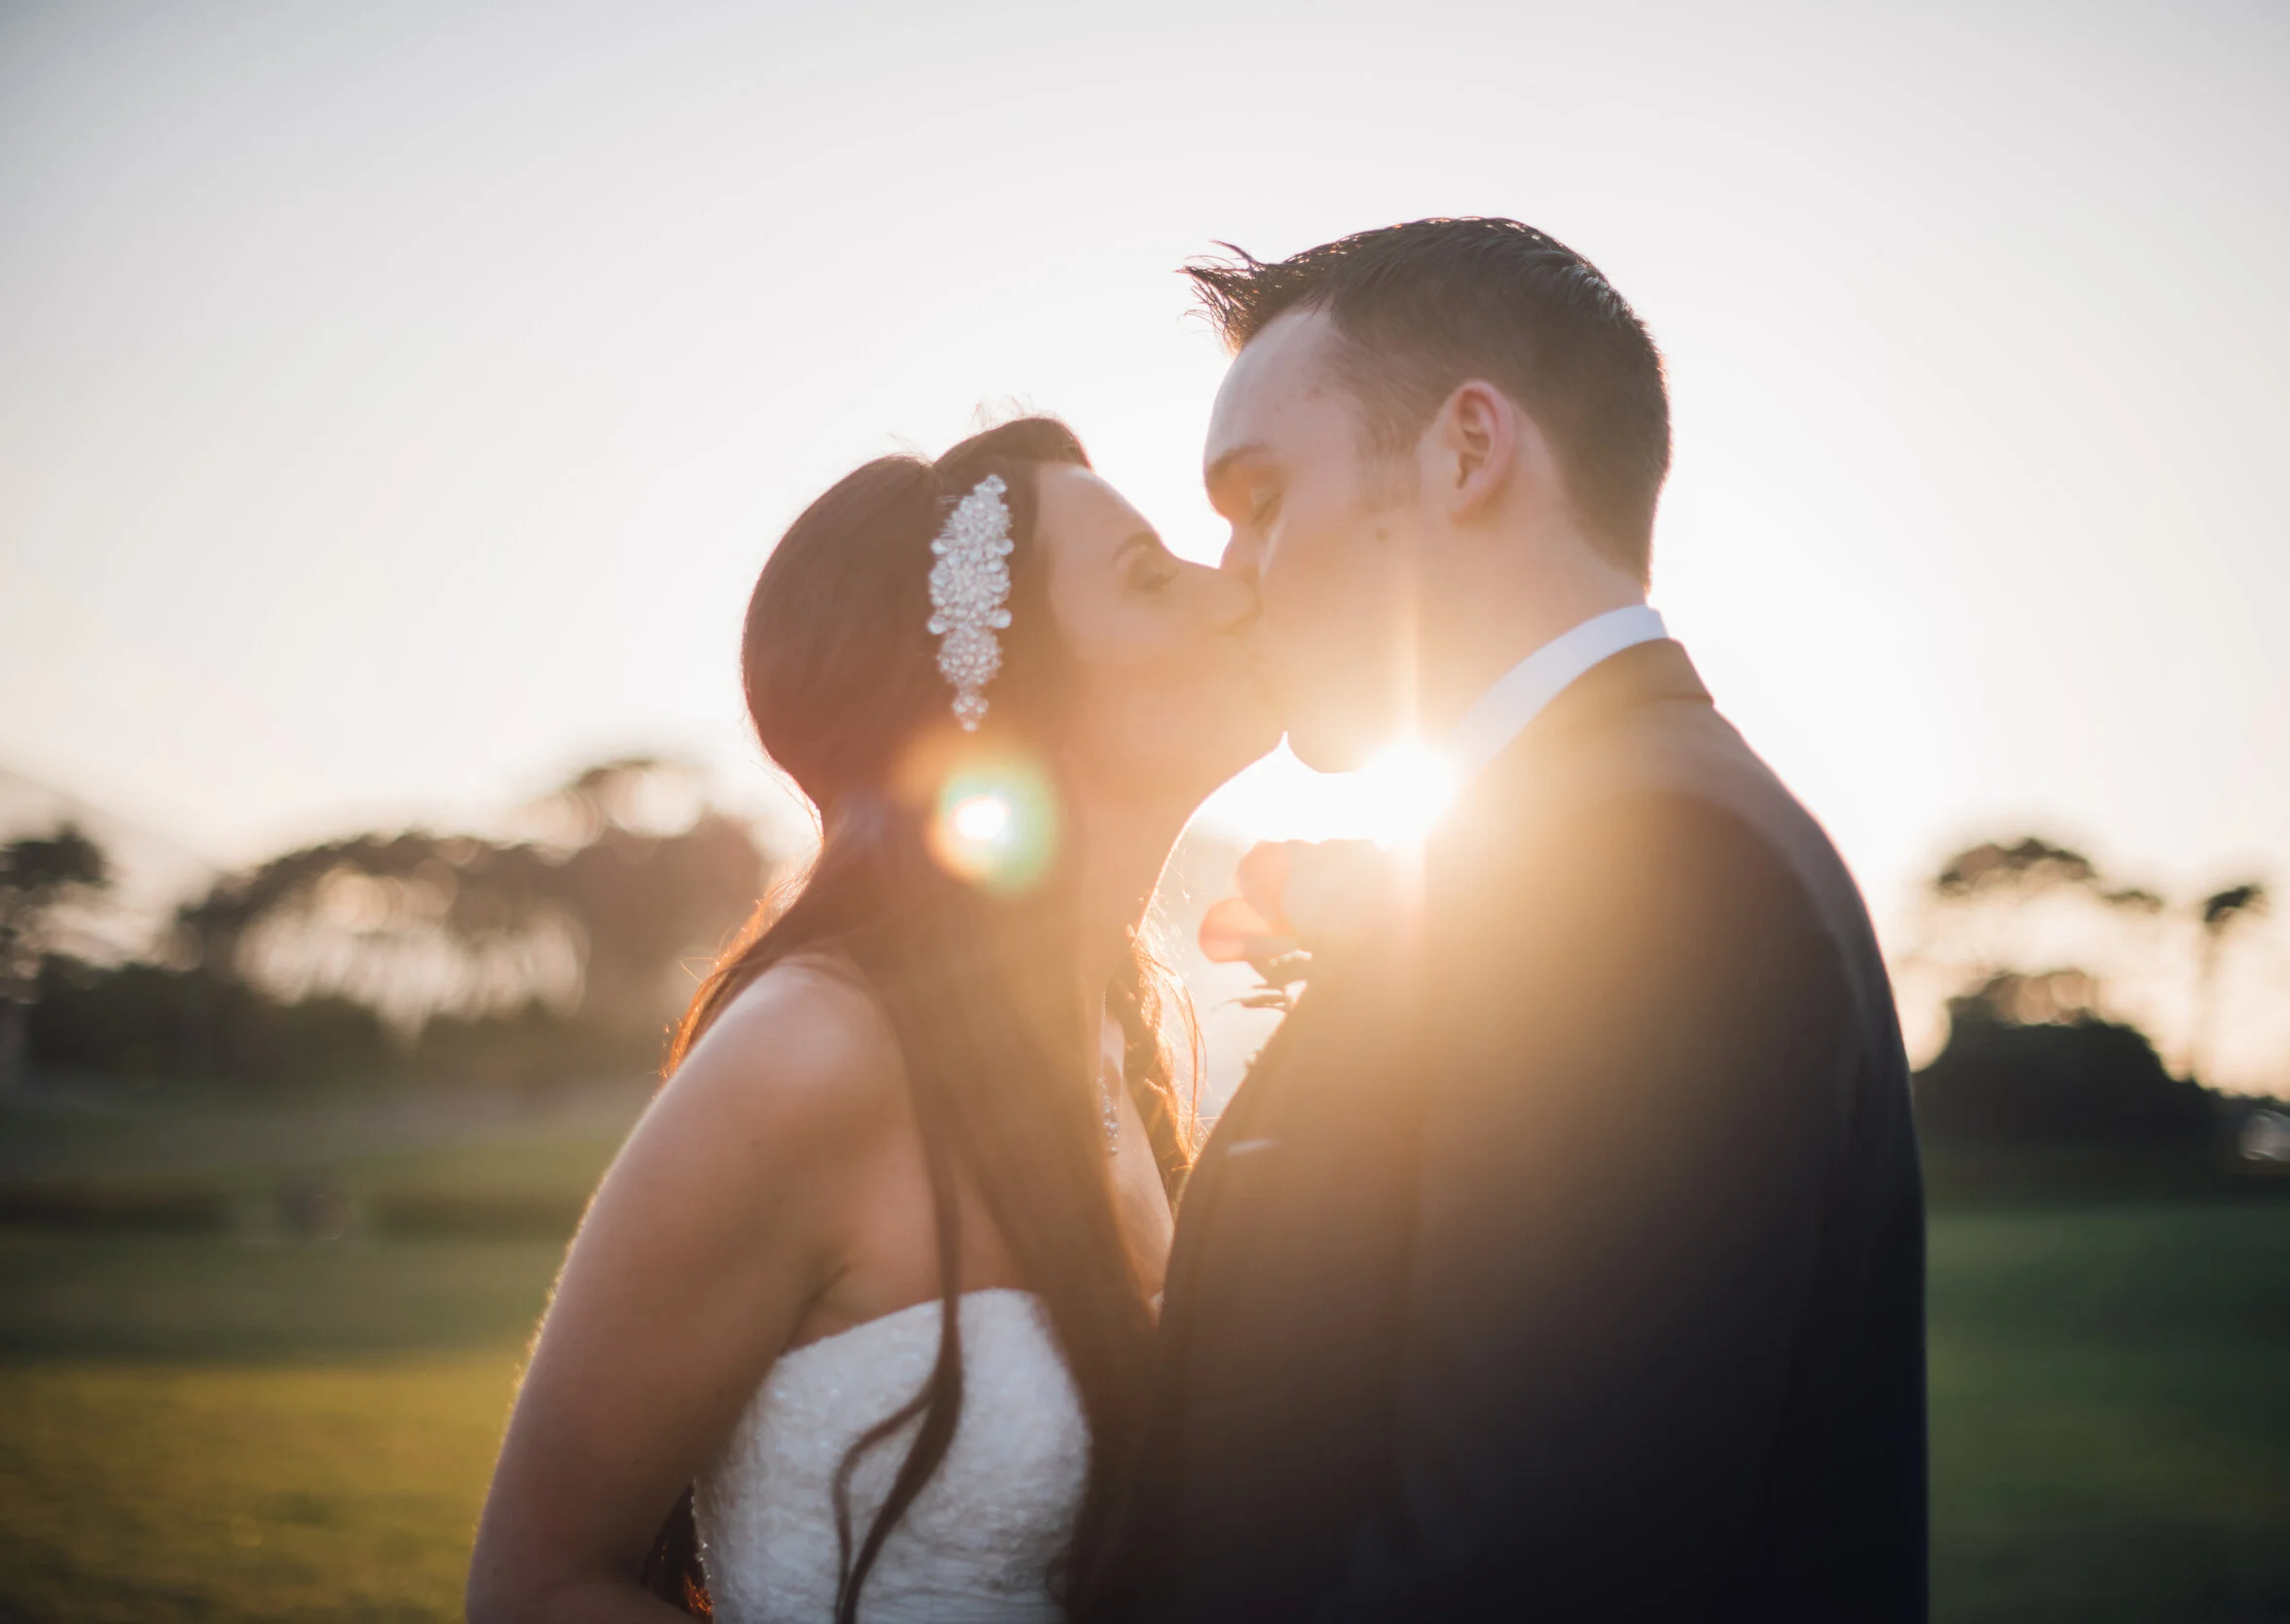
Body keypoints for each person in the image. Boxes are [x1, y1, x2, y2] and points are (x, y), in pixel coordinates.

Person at [1093, 220, 1927, 1622]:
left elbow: (1520, 1568)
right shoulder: (1575, 838)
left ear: (1469, 451)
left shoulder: (1657, 868)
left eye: (1262, 496)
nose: (1231, 576)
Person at [466, 417, 1276, 1623]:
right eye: (1151, 577)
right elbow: (535, 1590)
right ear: (1005, 698)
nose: (1235, 589)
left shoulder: (1117, 1039)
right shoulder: (813, 1054)